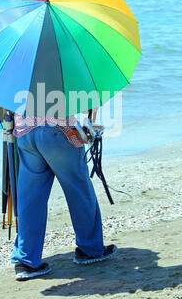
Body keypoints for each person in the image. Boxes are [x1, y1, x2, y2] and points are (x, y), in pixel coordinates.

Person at [11, 111, 117, 281]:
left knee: (30, 200)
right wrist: (91, 113)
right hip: (58, 131)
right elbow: (84, 103)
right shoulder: (57, 82)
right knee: (80, 193)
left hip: (25, 132)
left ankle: (26, 261)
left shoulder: (14, 82)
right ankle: (90, 249)